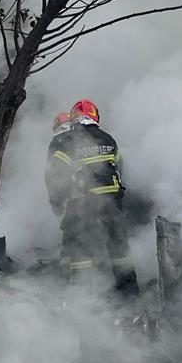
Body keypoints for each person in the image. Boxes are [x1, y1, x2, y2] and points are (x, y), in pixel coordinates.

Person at [44, 99, 138, 296]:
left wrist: (57, 200)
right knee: (118, 244)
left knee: (81, 246)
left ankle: (83, 290)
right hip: (112, 199)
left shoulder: (68, 141)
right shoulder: (108, 139)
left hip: (83, 200)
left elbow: (56, 174)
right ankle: (129, 290)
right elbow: (120, 167)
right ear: (95, 117)